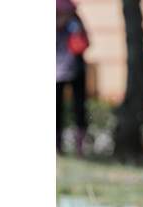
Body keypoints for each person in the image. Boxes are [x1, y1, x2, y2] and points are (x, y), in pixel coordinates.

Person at [56, 0, 90, 156]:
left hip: (76, 70)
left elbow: (86, 43)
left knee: (79, 109)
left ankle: (80, 147)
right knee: (57, 112)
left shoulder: (76, 23)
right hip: (58, 72)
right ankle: (57, 146)